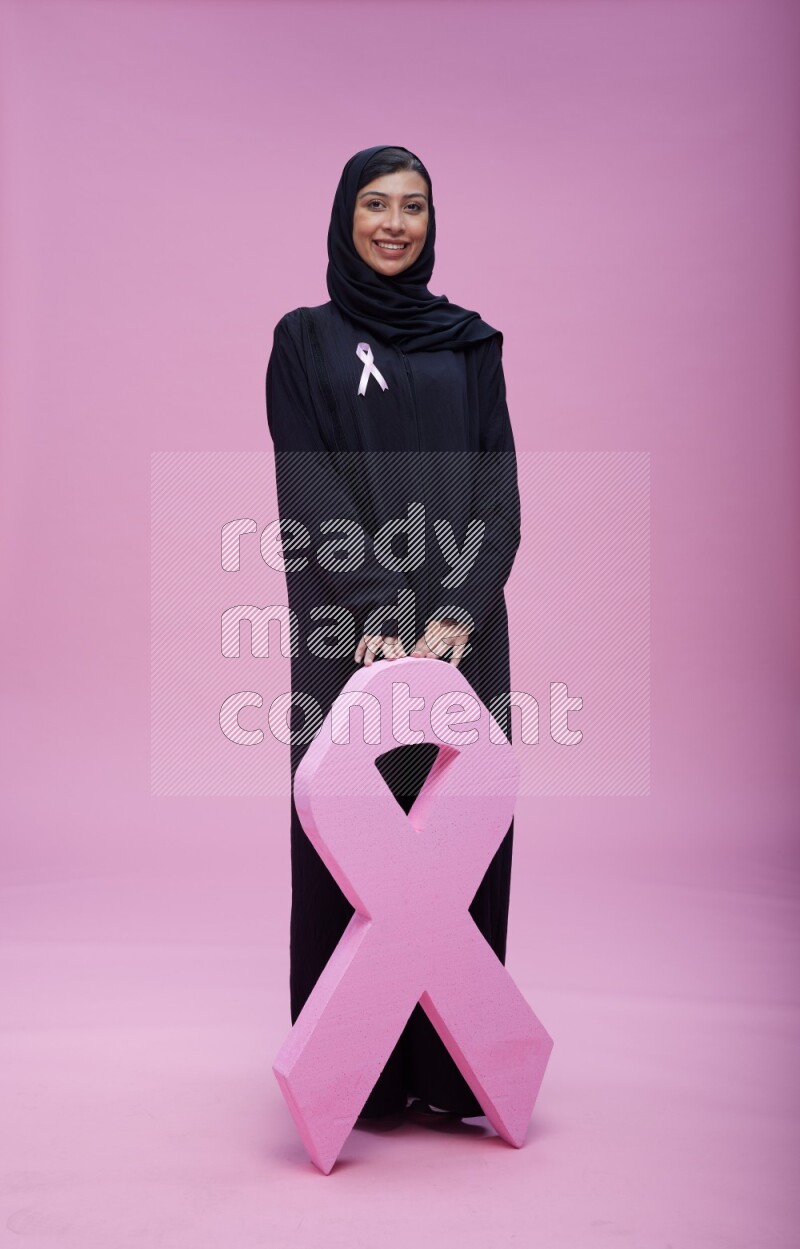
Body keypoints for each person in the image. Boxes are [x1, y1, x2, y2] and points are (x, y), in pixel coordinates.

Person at [265, 145, 521, 1122]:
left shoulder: (468, 342)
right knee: (351, 839)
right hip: (350, 628)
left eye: (412, 206)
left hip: (464, 632)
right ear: (344, 214)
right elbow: (311, 484)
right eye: (374, 203)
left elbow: (497, 494)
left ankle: (453, 1071)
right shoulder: (304, 341)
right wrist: (384, 608)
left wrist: (454, 609)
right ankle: (357, 1079)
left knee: (455, 838)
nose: (393, 222)